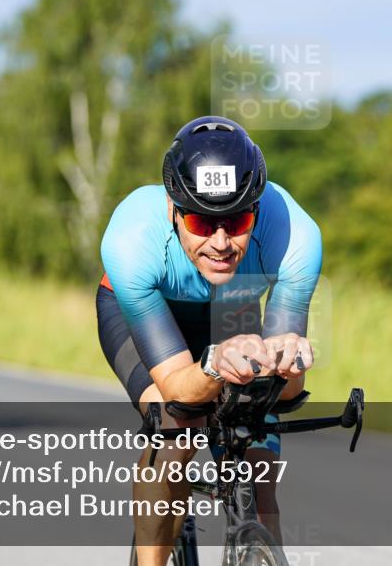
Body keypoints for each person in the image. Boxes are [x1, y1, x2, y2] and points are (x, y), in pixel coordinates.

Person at [97, 116, 322, 566]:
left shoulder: (297, 236)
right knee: (176, 428)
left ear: (256, 211)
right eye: (201, 223)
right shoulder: (130, 241)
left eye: (236, 221)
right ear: (173, 210)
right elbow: (179, 387)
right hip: (150, 307)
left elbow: (287, 393)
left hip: (232, 306)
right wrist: (214, 365)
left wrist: (289, 366)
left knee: (258, 451)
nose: (220, 242)